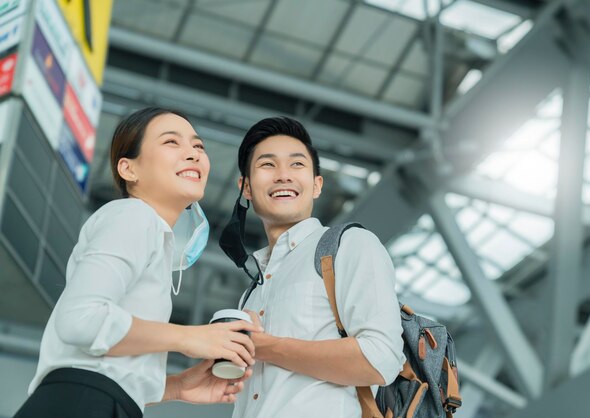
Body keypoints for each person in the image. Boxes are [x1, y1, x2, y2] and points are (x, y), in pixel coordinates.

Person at [13, 107, 262, 418]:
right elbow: (80, 319)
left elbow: (107, 365)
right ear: (128, 169)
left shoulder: (152, 236)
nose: (194, 154)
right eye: (172, 142)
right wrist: (189, 337)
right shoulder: (133, 215)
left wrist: (175, 387)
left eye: (198, 146)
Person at [220, 117, 405, 418]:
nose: (283, 176)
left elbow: (381, 358)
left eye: (297, 165)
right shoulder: (252, 293)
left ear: (317, 185)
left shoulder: (349, 244)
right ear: (246, 187)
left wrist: (264, 347)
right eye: (267, 165)